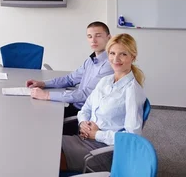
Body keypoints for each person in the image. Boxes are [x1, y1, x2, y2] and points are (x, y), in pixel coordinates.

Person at [60, 33, 146, 173]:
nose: (116, 59)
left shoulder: (132, 91)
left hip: (102, 151)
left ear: (133, 56)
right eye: (112, 53)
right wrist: (83, 123)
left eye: (123, 54)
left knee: (45, 157)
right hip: (83, 139)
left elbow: (132, 138)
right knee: (43, 144)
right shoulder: (105, 81)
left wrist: (97, 134)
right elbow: (85, 109)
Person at [27, 22, 114, 125]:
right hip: (75, 105)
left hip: (85, 115)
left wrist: (46, 95)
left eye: (98, 36)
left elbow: (85, 94)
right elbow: (70, 79)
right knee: (34, 112)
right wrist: (43, 84)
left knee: (39, 118)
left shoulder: (109, 64)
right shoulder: (90, 61)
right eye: (90, 37)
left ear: (109, 38)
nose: (93, 40)